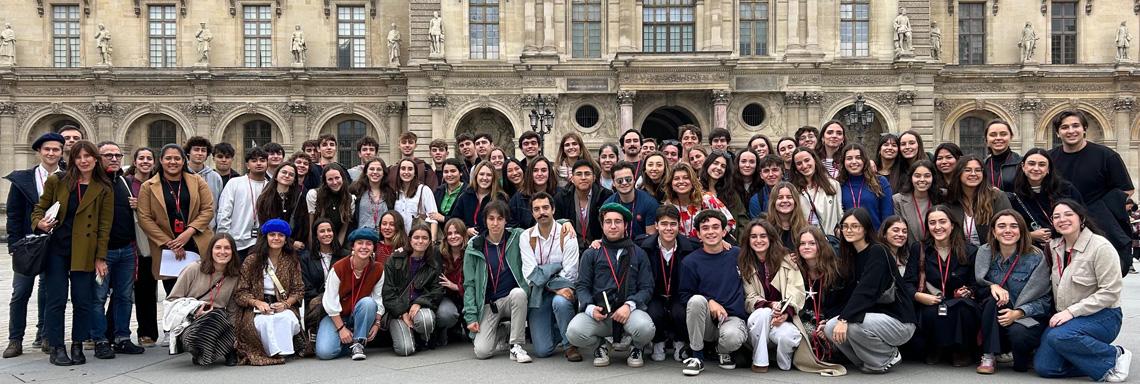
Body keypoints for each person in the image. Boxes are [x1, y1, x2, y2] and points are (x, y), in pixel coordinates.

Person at [31, 141, 113, 366]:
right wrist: (40, 223)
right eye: (79, 156)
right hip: (57, 248)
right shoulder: (58, 181)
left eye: (88, 156)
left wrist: (100, 257)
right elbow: (39, 207)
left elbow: (105, 226)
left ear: (96, 159)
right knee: (56, 300)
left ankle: (77, 344)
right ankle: (56, 346)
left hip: (85, 250)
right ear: (73, 159)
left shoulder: (104, 187)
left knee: (83, 300)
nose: (84, 160)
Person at [1036, 200, 1130, 382]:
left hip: (1103, 315)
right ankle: (1093, 362)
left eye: (1068, 214)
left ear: (1081, 218)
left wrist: (1072, 312)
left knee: (1059, 336)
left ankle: (1115, 356)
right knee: (1045, 367)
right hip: (1066, 318)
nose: (1062, 219)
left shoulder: (1100, 247)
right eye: (1056, 216)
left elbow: (1110, 291)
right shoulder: (1053, 247)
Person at [825, 208, 916, 374]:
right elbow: (848, 295)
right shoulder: (850, 256)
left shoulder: (878, 251)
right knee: (830, 327)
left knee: (851, 324)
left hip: (899, 321)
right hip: (872, 319)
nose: (849, 230)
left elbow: (866, 291)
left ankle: (888, 355)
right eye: (845, 226)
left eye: (855, 226)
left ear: (865, 229)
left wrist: (844, 318)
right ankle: (869, 361)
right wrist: (831, 317)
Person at [566, 203, 656, 368]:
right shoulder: (592, 252)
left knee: (646, 328)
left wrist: (630, 305)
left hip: (628, 314)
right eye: (608, 222)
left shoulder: (638, 253)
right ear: (602, 225)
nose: (613, 226)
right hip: (601, 314)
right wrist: (590, 308)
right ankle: (600, 345)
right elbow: (582, 287)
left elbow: (647, 288)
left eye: (618, 221)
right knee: (573, 332)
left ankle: (637, 347)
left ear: (626, 225)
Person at [1048, 110, 1135, 276]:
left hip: (1099, 225)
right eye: (1065, 127)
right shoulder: (1050, 158)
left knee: (1100, 276)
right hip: (1063, 227)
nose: (1071, 131)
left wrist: (1100, 208)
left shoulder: (1107, 156)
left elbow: (1127, 189)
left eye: (1076, 126)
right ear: (1058, 133)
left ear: (1084, 128)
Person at [3, 132, 63, 358]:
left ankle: (47, 336)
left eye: (56, 149)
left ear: (61, 152)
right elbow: (14, 214)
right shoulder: (23, 179)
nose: (51, 153)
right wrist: (13, 244)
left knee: (50, 293)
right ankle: (15, 339)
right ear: (39, 151)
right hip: (27, 245)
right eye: (47, 149)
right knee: (20, 292)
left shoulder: (67, 179)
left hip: (55, 246)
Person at [974, 210, 1052, 374]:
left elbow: (1045, 300)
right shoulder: (984, 252)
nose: (1007, 230)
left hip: (1025, 317)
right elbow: (977, 285)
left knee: (1020, 361)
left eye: (1013, 226)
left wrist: (1019, 313)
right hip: (994, 316)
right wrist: (991, 286)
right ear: (994, 232)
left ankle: (1025, 355)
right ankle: (988, 355)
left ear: (1022, 231)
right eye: (1001, 226)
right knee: (992, 300)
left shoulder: (1036, 257)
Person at [89, 141, 146, 358]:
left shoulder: (123, 180)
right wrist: (98, 256)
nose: (114, 159)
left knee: (124, 296)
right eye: (108, 155)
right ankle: (100, 340)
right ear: (97, 158)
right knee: (99, 297)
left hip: (127, 250)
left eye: (117, 155)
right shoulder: (93, 183)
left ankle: (122, 337)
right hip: (104, 253)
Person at [904, 205, 979, 366]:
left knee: (963, 309)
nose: (937, 227)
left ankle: (961, 350)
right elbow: (907, 283)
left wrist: (969, 291)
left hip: (957, 301)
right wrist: (918, 296)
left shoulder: (970, 250)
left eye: (942, 222)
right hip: (930, 300)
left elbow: (976, 284)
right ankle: (935, 348)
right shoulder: (920, 249)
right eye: (932, 223)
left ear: (952, 225)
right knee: (931, 311)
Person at [136, 144, 216, 294]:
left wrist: (188, 233)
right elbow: (144, 218)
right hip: (168, 248)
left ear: (183, 161)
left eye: (177, 158)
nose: (173, 162)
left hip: (195, 243)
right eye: (168, 158)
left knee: (199, 292)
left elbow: (208, 210)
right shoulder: (148, 186)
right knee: (173, 293)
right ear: (160, 160)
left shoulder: (197, 181)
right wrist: (170, 243)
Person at [462, 200, 533, 362]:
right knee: (482, 352)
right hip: (489, 304)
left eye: (499, 219)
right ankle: (503, 330)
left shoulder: (517, 236)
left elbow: (541, 228)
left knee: (519, 293)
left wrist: (565, 223)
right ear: (485, 220)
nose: (495, 223)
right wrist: (471, 316)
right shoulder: (474, 246)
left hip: (512, 299)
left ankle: (516, 346)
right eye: (491, 218)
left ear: (505, 220)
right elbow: (469, 284)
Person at [679, 210, 748, 376]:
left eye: (716, 227)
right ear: (699, 234)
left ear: (724, 231)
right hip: (707, 322)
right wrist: (709, 301)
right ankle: (697, 357)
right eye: (705, 228)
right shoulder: (690, 262)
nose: (711, 231)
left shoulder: (737, 255)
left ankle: (722, 350)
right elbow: (684, 295)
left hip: (732, 318)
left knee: (732, 337)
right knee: (696, 300)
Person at [233, 219, 305, 365]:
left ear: (286, 240)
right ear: (266, 237)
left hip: (282, 304)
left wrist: (285, 304)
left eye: (280, 235)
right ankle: (269, 352)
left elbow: (299, 290)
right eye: (272, 234)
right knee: (263, 322)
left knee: (286, 318)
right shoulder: (251, 261)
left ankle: (283, 351)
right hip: (257, 307)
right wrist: (257, 303)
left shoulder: (292, 261)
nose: (276, 238)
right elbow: (240, 292)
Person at [165, 234, 242, 366]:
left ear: (233, 252)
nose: (222, 252)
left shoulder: (235, 276)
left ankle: (227, 349)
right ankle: (203, 352)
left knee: (216, 316)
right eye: (218, 248)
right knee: (194, 335)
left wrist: (234, 334)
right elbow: (172, 299)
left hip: (218, 319)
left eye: (227, 248)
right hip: (191, 320)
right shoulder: (194, 269)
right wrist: (193, 311)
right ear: (211, 250)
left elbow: (232, 309)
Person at [521, 192, 581, 360]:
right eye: (537, 209)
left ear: (553, 209)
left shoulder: (567, 233)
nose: (542, 212)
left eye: (546, 207)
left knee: (561, 302)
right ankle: (562, 332)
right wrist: (554, 274)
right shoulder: (526, 237)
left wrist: (545, 273)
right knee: (542, 351)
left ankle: (570, 344)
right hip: (540, 292)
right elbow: (530, 275)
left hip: (564, 290)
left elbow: (570, 273)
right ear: (532, 213)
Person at [740, 220, 803, 372]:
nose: (758, 240)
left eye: (763, 236)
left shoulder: (787, 260)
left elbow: (796, 290)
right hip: (758, 321)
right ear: (748, 240)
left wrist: (785, 313)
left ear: (771, 238)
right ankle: (760, 361)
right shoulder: (744, 263)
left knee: (787, 336)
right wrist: (770, 305)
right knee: (764, 313)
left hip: (782, 317)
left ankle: (782, 359)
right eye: (753, 236)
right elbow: (750, 298)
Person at [315, 228, 386, 361]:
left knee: (368, 303)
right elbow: (329, 301)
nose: (364, 247)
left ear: (373, 248)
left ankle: (358, 343)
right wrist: (341, 328)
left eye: (369, 243)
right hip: (336, 316)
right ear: (353, 246)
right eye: (360, 243)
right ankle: (351, 343)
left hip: (360, 314)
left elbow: (377, 298)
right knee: (324, 352)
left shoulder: (378, 269)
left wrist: (377, 323)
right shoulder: (339, 267)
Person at [639, 205, 697, 362]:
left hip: (679, 294)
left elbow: (711, 245)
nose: (668, 228)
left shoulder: (690, 247)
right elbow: (622, 244)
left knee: (681, 312)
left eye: (673, 224)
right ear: (656, 225)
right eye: (664, 224)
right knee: (653, 312)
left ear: (679, 226)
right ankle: (658, 341)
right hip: (655, 294)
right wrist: (598, 242)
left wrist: (726, 244)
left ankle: (680, 341)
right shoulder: (644, 246)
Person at [794, 227, 850, 373]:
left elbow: (844, 302)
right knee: (802, 332)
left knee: (833, 333)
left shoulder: (837, 270)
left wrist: (827, 322)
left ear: (821, 245)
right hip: (805, 320)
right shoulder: (795, 270)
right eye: (802, 243)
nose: (806, 247)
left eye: (812, 243)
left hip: (832, 319)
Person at [384, 223, 445, 356]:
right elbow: (388, 292)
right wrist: (402, 312)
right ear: (410, 239)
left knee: (426, 321)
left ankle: (422, 336)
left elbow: (438, 290)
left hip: (419, 308)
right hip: (398, 311)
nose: (420, 241)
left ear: (430, 242)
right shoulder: (395, 259)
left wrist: (420, 302)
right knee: (405, 350)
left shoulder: (433, 263)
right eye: (416, 237)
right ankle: (407, 334)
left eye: (424, 238)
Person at [1007, 148, 1083, 249]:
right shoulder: (1013, 194)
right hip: (1031, 250)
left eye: (1042, 165)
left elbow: (1081, 217)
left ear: (1048, 169)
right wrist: (1031, 235)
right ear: (1023, 166)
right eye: (1031, 163)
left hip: (1067, 245)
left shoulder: (1065, 189)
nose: (1036, 168)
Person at [126, 147, 162, 348]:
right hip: (136, 241)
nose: (145, 161)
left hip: (158, 240)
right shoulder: (127, 183)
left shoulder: (159, 182)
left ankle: (155, 332)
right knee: (139, 289)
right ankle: (140, 332)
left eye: (149, 158)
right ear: (135, 161)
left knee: (156, 288)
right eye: (141, 158)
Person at [217, 147, 270, 260]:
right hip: (236, 242)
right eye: (254, 160)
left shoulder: (270, 187)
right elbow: (224, 213)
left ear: (267, 163)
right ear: (247, 165)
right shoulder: (235, 183)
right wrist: (225, 239)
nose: (259, 163)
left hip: (261, 243)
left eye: (262, 160)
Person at [946, 156, 1013, 245]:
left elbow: (1009, 227)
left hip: (991, 254)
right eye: (967, 170)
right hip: (960, 255)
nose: (973, 174)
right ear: (958, 173)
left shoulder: (997, 197)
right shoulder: (951, 199)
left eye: (978, 170)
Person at [664, 162, 735, 239]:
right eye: (676, 178)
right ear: (671, 184)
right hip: (682, 249)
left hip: (708, 247)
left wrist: (719, 239)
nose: (681, 181)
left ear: (693, 182)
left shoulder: (707, 199)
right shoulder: (668, 205)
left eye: (686, 178)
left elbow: (730, 221)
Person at [555, 159, 612, 252]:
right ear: (572, 179)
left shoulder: (605, 196)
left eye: (587, 174)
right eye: (579, 174)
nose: (583, 177)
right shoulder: (561, 198)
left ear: (594, 178)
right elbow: (556, 224)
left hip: (599, 248)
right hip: (570, 249)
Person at [299, 219, 345, 332]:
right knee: (317, 306)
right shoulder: (306, 258)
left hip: (339, 300)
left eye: (329, 230)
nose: (326, 234)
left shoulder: (345, 256)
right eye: (322, 231)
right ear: (316, 235)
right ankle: (313, 331)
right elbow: (306, 286)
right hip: (315, 301)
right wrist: (323, 298)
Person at [839, 143, 895, 230]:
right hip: (848, 237)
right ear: (843, 162)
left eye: (858, 158)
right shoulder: (839, 184)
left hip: (875, 238)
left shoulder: (880, 182)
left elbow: (887, 215)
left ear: (865, 160)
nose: (854, 162)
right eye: (849, 158)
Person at [255, 164, 309, 251]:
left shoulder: (300, 198)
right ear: (276, 176)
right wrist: (290, 242)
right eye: (284, 172)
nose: (287, 176)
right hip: (269, 245)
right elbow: (265, 225)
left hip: (293, 249)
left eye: (291, 174)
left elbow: (302, 226)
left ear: (294, 180)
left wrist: (293, 243)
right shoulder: (264, 198)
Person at [790, 147, 842, 234]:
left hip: (828, 239)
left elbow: (839, 214)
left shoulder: (833, 185)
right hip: (804, 240)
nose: (804, 165)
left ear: (814, 160)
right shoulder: (794, 189)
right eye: (799, 163)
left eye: (807, 160)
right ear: (795, 167)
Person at [451, 161, 509, 236]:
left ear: (493, 178)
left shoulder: (500, 198)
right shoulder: (465, 196)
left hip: (491, 240)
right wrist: (466, 229)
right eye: (481, 174)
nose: (485, 178)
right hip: (467, 240)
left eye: (489, 175)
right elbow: (455, 219)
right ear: (476, 176)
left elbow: (506, 222)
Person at [603, 161, 658, 238]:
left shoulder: (650, 203)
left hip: (643, 247)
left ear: (634, 179)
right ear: (614, 183)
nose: (624, 183)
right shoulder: (608, 205)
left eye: (628, 179)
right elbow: (607, 235)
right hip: (616, 246)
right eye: (619, 181)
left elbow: (651, 239)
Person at [436, 218, 469, 345]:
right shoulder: (439, 253)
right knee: (446, 314)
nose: (453, 236)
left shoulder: (471, 252)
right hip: (446, 297)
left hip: (467, 297)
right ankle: (444, 329)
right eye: (449, 233)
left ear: (463, 234)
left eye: (457, 233)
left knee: (473, 339)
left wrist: (456, 286)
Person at [306, 164, 356, 244]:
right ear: (325, 181)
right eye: (330, 179)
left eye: (337, 178)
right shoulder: (314, 195)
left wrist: (337, 250)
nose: (335, 182)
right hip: (317, 243)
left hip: (337, 243)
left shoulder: (350, 199)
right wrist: (313, 250)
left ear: (342, 178)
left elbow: (343, 230)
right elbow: (311, 227)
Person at [893, 160, 941, 244]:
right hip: (909, 252)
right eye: (917, 176)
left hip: (936, 251)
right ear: (911, 178)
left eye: (927, 176)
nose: (922, 180)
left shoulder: (942, 196)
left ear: (933, 177)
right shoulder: (898, 200)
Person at [393, 157, 440, 235]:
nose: (406, 172)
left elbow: (433, 219)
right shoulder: (396, 192)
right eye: (403, 169)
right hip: (399, 239)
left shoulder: (424, 190)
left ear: (415, 172)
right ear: (399, 172)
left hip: (419, 240)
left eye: (410, 169)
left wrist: (432, 242)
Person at [508, 157, 557, 229]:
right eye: (535, 171)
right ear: (530, 173)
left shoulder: (560, 195)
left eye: (543, 170)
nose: (539, 174)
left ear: (549, 172)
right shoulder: (518, 198)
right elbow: (511, 225)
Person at [700, 151, 747, 227]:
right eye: (715, 163)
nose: (719, 168)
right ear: (707, 164)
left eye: (723, 166)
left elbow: (742, 220)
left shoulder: (730, 193)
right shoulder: (696, 189)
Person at [348, 158, 393, 231]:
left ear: (384, 172)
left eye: (379, 169)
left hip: (382, 239)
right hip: (361, 238)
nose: (375, 172)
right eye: (371, 169)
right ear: (366, 172)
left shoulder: (390, 193)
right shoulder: (355, 190)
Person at [184, 136, 224, 210]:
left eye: (203, 150)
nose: (200, 153)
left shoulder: (215, 177)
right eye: (196, 150)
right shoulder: (181, 175)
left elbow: (220, 206)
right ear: (188, 152)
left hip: (210, 220)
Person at [767, 182, 810, 248]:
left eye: (789, 197)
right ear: (773, 202)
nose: (785, 200)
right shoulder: (766, 228)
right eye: (780, 197)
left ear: (795, 201)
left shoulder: (806, 229)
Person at [982, 120, 1021, 192]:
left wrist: (1001, 195)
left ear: (1011, 137)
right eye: (993, 135)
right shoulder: (982, 165)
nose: (998, 138)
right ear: (986, 140)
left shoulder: (1022, 164)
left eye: (1003, 134)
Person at [733, 150, 761, 219]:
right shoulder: (730, 184)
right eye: (743, 161)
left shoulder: (763, 184)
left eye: (752, 162)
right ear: (737, 163)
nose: (747, 165)